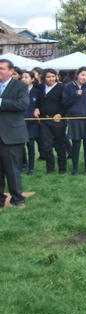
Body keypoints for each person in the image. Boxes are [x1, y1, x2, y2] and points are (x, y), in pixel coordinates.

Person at [0, 59, 29, 209]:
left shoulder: (20, 86)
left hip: (12, 135)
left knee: (12, 170)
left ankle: (17, 199)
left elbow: (22, 105)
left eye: (1, 69)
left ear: (11, 71)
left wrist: (1, 102)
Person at [62, 66, 86, 175]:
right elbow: (65, 102)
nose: (84, 78)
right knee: (76, 145)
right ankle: (75, 169)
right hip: (75, 119)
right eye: (82, 75)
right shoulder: (68, 87)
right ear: (77, 75)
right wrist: (75, 95)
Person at [34, 68, 68, 175]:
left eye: (53, 76)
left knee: (59, 145)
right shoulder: (40, 88)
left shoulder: (62, 88)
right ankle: (50, 169)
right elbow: (37, 101)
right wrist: (36, 108)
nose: (51, 79)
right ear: (44, 78)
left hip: (58, 121)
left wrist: (61, 114)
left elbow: (67, 103)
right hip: (44, 120)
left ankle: (62, 169)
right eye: (48, 77)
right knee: (46, 146)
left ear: (56, 77)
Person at [21, 70, 40, 175]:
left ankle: (31, 167)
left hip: (32, 122)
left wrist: (37, 108)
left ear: (32, 79)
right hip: (20, 121)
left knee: (31, 144)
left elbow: (40, 103)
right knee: (20, 145)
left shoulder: (37, 91)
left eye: (26, 77)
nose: (23, 79)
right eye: (22, 77)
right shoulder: (18, 91)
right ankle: (23, 164)